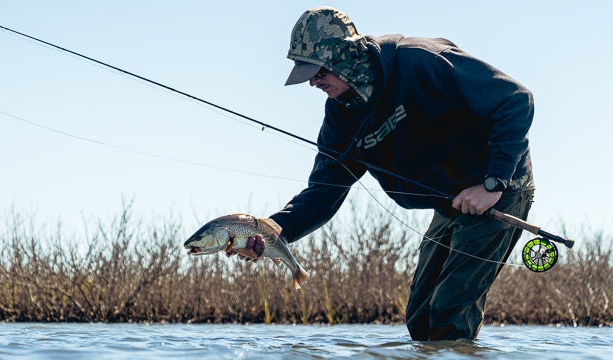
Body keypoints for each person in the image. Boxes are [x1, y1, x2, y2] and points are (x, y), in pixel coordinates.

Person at [226, 6, 535, 341]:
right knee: (420, 318)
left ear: (344, 55)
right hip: (450, 204)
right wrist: (272, 232)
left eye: (317, 71)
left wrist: (493, 183)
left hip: (499, 190)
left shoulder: (420, 61)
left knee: (448, 312)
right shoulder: (341, 117)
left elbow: (516, 99)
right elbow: (324, 191)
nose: (312, 82)